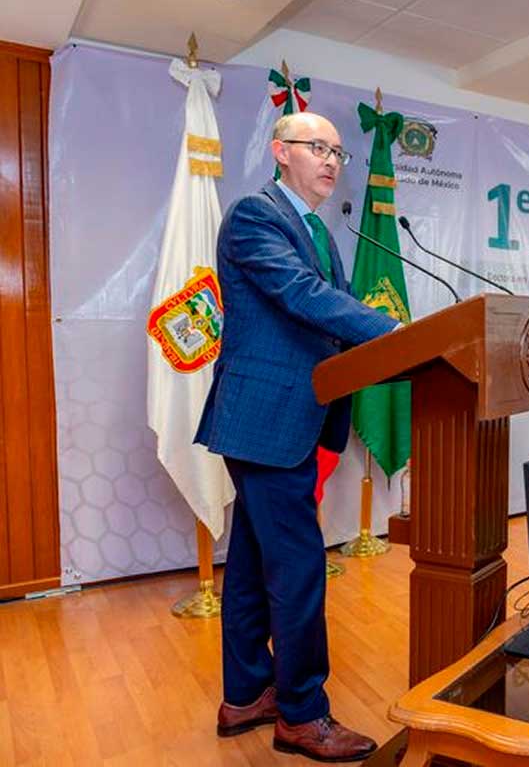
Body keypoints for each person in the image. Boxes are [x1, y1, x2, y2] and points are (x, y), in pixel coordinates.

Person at [195, 112, 396, 763]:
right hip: (264, 420)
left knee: (255, 565)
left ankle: (247, 694)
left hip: (285, 421)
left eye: (339, 151)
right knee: (301, 569)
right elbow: (303, 296)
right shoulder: (256, 218)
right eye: (318, 147)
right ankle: (303, 714)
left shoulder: (317, 229)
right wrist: (391, 333)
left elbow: (322, 311)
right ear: (281, 152)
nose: (333, 161)